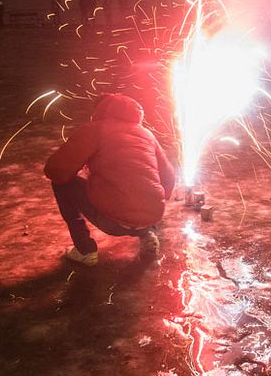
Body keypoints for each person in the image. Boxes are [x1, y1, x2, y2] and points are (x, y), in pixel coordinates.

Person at [44, 93, 175, 266]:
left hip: (112, 221)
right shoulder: (146, 134)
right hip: (152, 216)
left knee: (62, 184)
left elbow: (57, 170)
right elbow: (169, 178)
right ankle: (147, 232)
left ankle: (85, 250)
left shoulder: (95, 129)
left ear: (101, 109)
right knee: (143, 190)